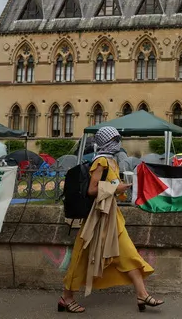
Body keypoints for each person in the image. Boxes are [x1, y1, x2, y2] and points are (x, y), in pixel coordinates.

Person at [60, 126, 163, 314]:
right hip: (97, 217)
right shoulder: (101, 161)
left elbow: (110, 187)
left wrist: (122, 190)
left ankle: (142, 294)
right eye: (115, 139)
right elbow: (92, 189)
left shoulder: (111, 161)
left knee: (129, 254)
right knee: (82, 258)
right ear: (107, 141)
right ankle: (66, 298)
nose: (119, 142)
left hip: (112, 217)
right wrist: (117, 188)